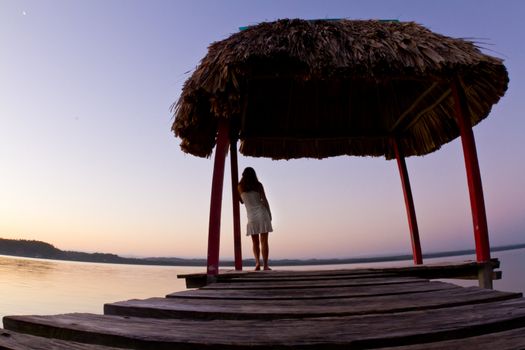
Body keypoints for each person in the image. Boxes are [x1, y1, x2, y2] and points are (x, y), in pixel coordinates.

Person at [238, 167, 273, 271]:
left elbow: (241, 201)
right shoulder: (258, 185)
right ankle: (265, 265)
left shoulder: (240, 187)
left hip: (251, 216)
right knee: (264, 241)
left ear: (243, 175)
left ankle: (257, 263)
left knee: (255, 242)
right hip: (262, 213)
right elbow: (264, 200)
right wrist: (270, 214)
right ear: (254, 175)